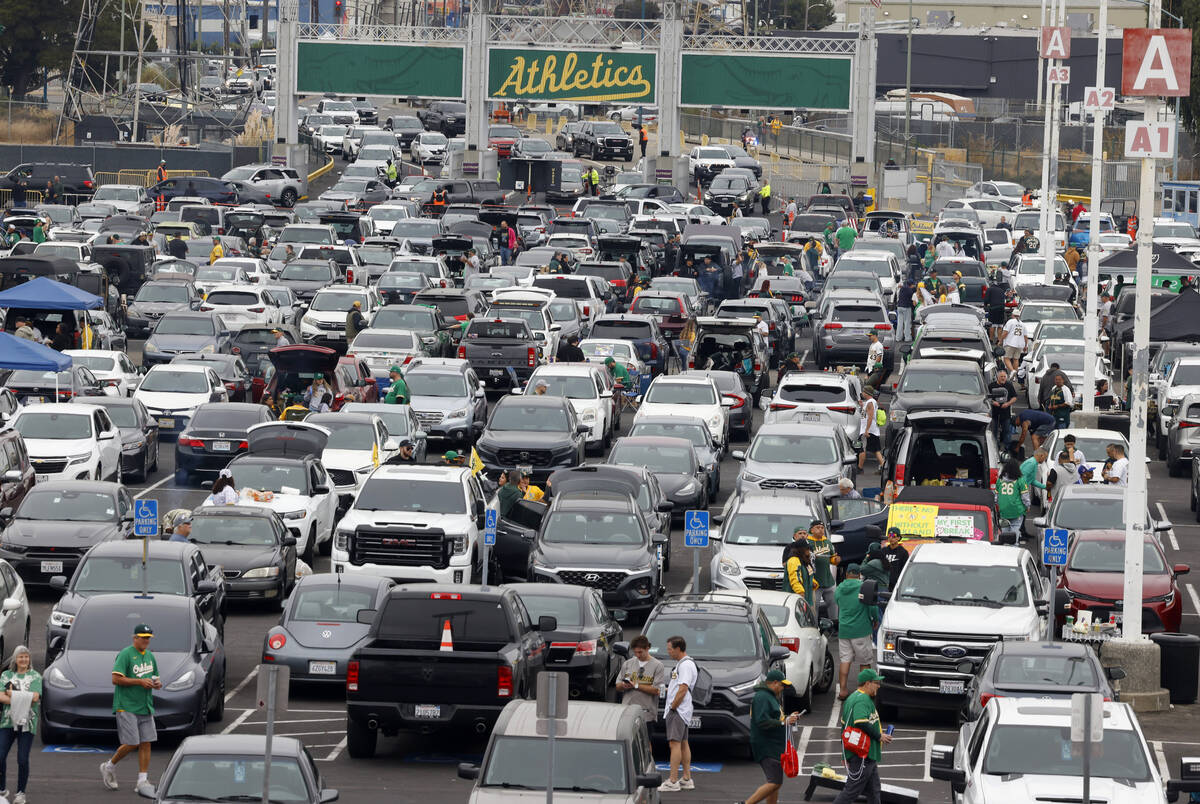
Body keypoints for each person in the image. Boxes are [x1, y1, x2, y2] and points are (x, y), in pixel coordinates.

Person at [100, 623, 162, 795]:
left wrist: (157, 684)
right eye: (143, 638)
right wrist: (139, 681)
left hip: (145, 705)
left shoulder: (150, 656)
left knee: (146, 742)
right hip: (126, 705)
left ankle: (142, 780)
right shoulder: (125, 654)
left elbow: (155, 677)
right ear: (134, 638)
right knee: (132, 742)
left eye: (148, 638)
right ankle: (109, 766)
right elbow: (115, 679)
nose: (146, 641)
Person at [831, 668, 892, 804]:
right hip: (862, 755)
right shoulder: (862, 700)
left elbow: (844, 728)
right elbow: (860, 722)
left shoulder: (853, 697)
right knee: (851, 791)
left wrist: (844, 755)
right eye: (876, 683)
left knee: (874, 790)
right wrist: (879, 736)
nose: (878, 686)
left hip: (865, 755)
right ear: (867, 683)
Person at [742, 669, 802, 804]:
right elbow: (762, 721)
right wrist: (784, 721)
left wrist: (788, 718)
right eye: (781, 685)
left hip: (773, 745)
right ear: (775, 683)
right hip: (767, 746)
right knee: (774, 782)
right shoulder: (762, 697)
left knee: (775, 783)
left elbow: (776, 718)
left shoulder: (769, 696)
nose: (782, 688)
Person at [0, 644, 41, 804]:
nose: (24, 659)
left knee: (22, 759)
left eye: (26, 656)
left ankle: (20, 793)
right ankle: (2, 788)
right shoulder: (6, 675)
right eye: (20, 656)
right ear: (15, 659)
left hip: (28, 723)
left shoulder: (36, 676)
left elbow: (35, 699)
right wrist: (23, 696)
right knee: (0, 756)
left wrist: (11, 693)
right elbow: (1, 697)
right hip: (7, 721)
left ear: (29, 658)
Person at [835, 565, 879, 701]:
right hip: (861, 629)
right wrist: (875, 619)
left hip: (844, 630)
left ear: (847, 573)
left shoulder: (839, 588)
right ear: (859, 574)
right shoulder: (864, 587)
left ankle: (842, 690)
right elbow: (872, 606)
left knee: (845, 660)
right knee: (864, 662)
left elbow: (838, 602)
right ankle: (863, 691)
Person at [660, 636, 696, 792]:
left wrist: (673, 706)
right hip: (682, 709)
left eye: (670, 649)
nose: (668, 652)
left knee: (674, 744)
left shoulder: (686, 665)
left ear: (678, 649)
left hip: (679, 710)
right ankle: (686, 778)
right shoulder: (683, 664)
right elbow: (679, 687)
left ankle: (673, 780)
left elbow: (683, 688)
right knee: (682, 743)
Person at [616, 635, 667, 720]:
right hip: (627, 712)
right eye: (635, 652)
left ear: (647, 648)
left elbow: (657, 690)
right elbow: (617, 686)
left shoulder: (658, 666)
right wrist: (623, 685)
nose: (637, 655)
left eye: (640, 652)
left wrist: (636, 685)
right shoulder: (628, 664)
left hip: (647, 714)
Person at [806, 522, 838, 621]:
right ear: (811, 530)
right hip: (815, 582)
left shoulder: (827, 542)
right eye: (818, 527)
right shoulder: (807, 542)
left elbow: (832, 558)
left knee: (834, 603)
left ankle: (834, 625)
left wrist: (835, 560)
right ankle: (814, 627)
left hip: (828, 580)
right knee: (813, 608)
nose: (820, 529)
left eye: (822, 528)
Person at [996, 459, 1030, 536]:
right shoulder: (1020, 480)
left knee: (1004, 534)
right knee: (1015, 534)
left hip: (1003, 511)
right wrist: (1027, 506)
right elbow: (1025, 497)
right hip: (1017, 510)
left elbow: (996, 497)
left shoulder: (1000, 480)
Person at [783, 535, 817, 611]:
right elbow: (795, 579)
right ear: (801, 549)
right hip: (796, 599)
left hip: (807, 598)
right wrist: (800, 593)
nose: (809, 550)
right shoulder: (793, 561)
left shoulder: (804, 560)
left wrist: (813, 583)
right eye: (807, 548)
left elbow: (809, 574)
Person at [989, 369, 1018, 444]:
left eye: (1004, 376)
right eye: (1001, 376)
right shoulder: (991, 386)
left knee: (1007, 432)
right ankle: (994, 447)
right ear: (997, 377)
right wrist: (993, 402)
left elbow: (1014, 397)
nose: (1003, 378)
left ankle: (1007, 449)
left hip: (1006, 413)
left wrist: (1008, 404)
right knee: (993, 432)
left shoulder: (1009, 385)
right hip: (994, 414)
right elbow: (987, 398)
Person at [858, 388, 884, 471]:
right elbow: (866, 414)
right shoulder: (869, 402)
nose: (862, 393)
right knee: (876, 450)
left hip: (869, 431)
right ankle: (883, 467)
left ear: (867, 393)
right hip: (872, 430)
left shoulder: (870, 403)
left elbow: (870, 417)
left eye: (863, 392)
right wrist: (862, 405)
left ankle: (860, 468)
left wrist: (866, 430)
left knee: (862, 448)